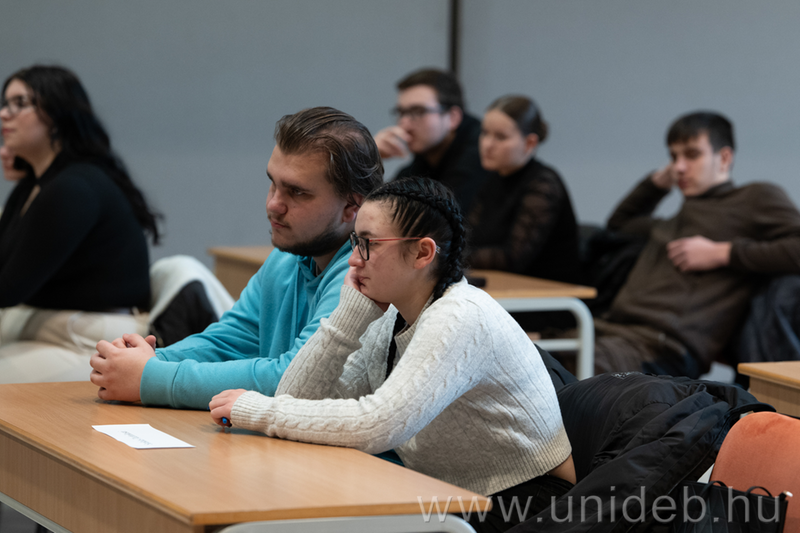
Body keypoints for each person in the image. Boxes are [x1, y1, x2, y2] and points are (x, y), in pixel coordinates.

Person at [209, 177, 575, 533]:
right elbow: (297, 397)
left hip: (527, 502)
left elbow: (377, 424)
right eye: (354, 242)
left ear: (422, 253)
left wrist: (258, 409)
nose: (353, 260)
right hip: (453, 495)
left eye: (368, 244)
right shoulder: (393, 313)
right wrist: (348, 318)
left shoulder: (460, 317)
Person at [89, 107, 384, 409]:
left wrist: (151, 377)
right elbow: (229, 341)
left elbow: (294, 377)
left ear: (352, 207)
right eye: (273, 183)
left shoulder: (364, 274)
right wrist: (143, 360)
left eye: (297, 192)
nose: (274, 204)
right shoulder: (286, 259)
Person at [595, 111, 800, 378]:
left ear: (724, 158)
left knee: (550, 375)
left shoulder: (753, 198)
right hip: (607, 331)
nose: (679, 167)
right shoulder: (675, 221)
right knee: (541, 358)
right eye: (673, 157)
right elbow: (618, 226)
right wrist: (659, 182)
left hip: (659, 348)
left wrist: (723, 253)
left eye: (692, 155)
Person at [0, 65, 159, 383]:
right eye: (5, 103)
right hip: (52, 326)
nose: (5, 114)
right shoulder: (34, 184)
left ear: (57, 113)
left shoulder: (73, 187)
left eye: (20, 103)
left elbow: (9, 288)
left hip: (93, 339)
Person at [468, 95, 581, 284]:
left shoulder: (544, 183)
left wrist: (448, 256)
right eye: (485, 133)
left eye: (500, 137)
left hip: (551, 294)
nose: (487, 144)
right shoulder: (492, 180)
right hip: (505, 288)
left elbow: (512, 258)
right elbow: (467, 237)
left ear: (530, 143)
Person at [373, 68, 489, 213]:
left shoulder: (479, 152)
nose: (405, 124)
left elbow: (439, 216)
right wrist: (371, 159)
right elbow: (384, 205)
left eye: (418, 111)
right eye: (401, 112)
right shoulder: (427, 153)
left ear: (453, 117)